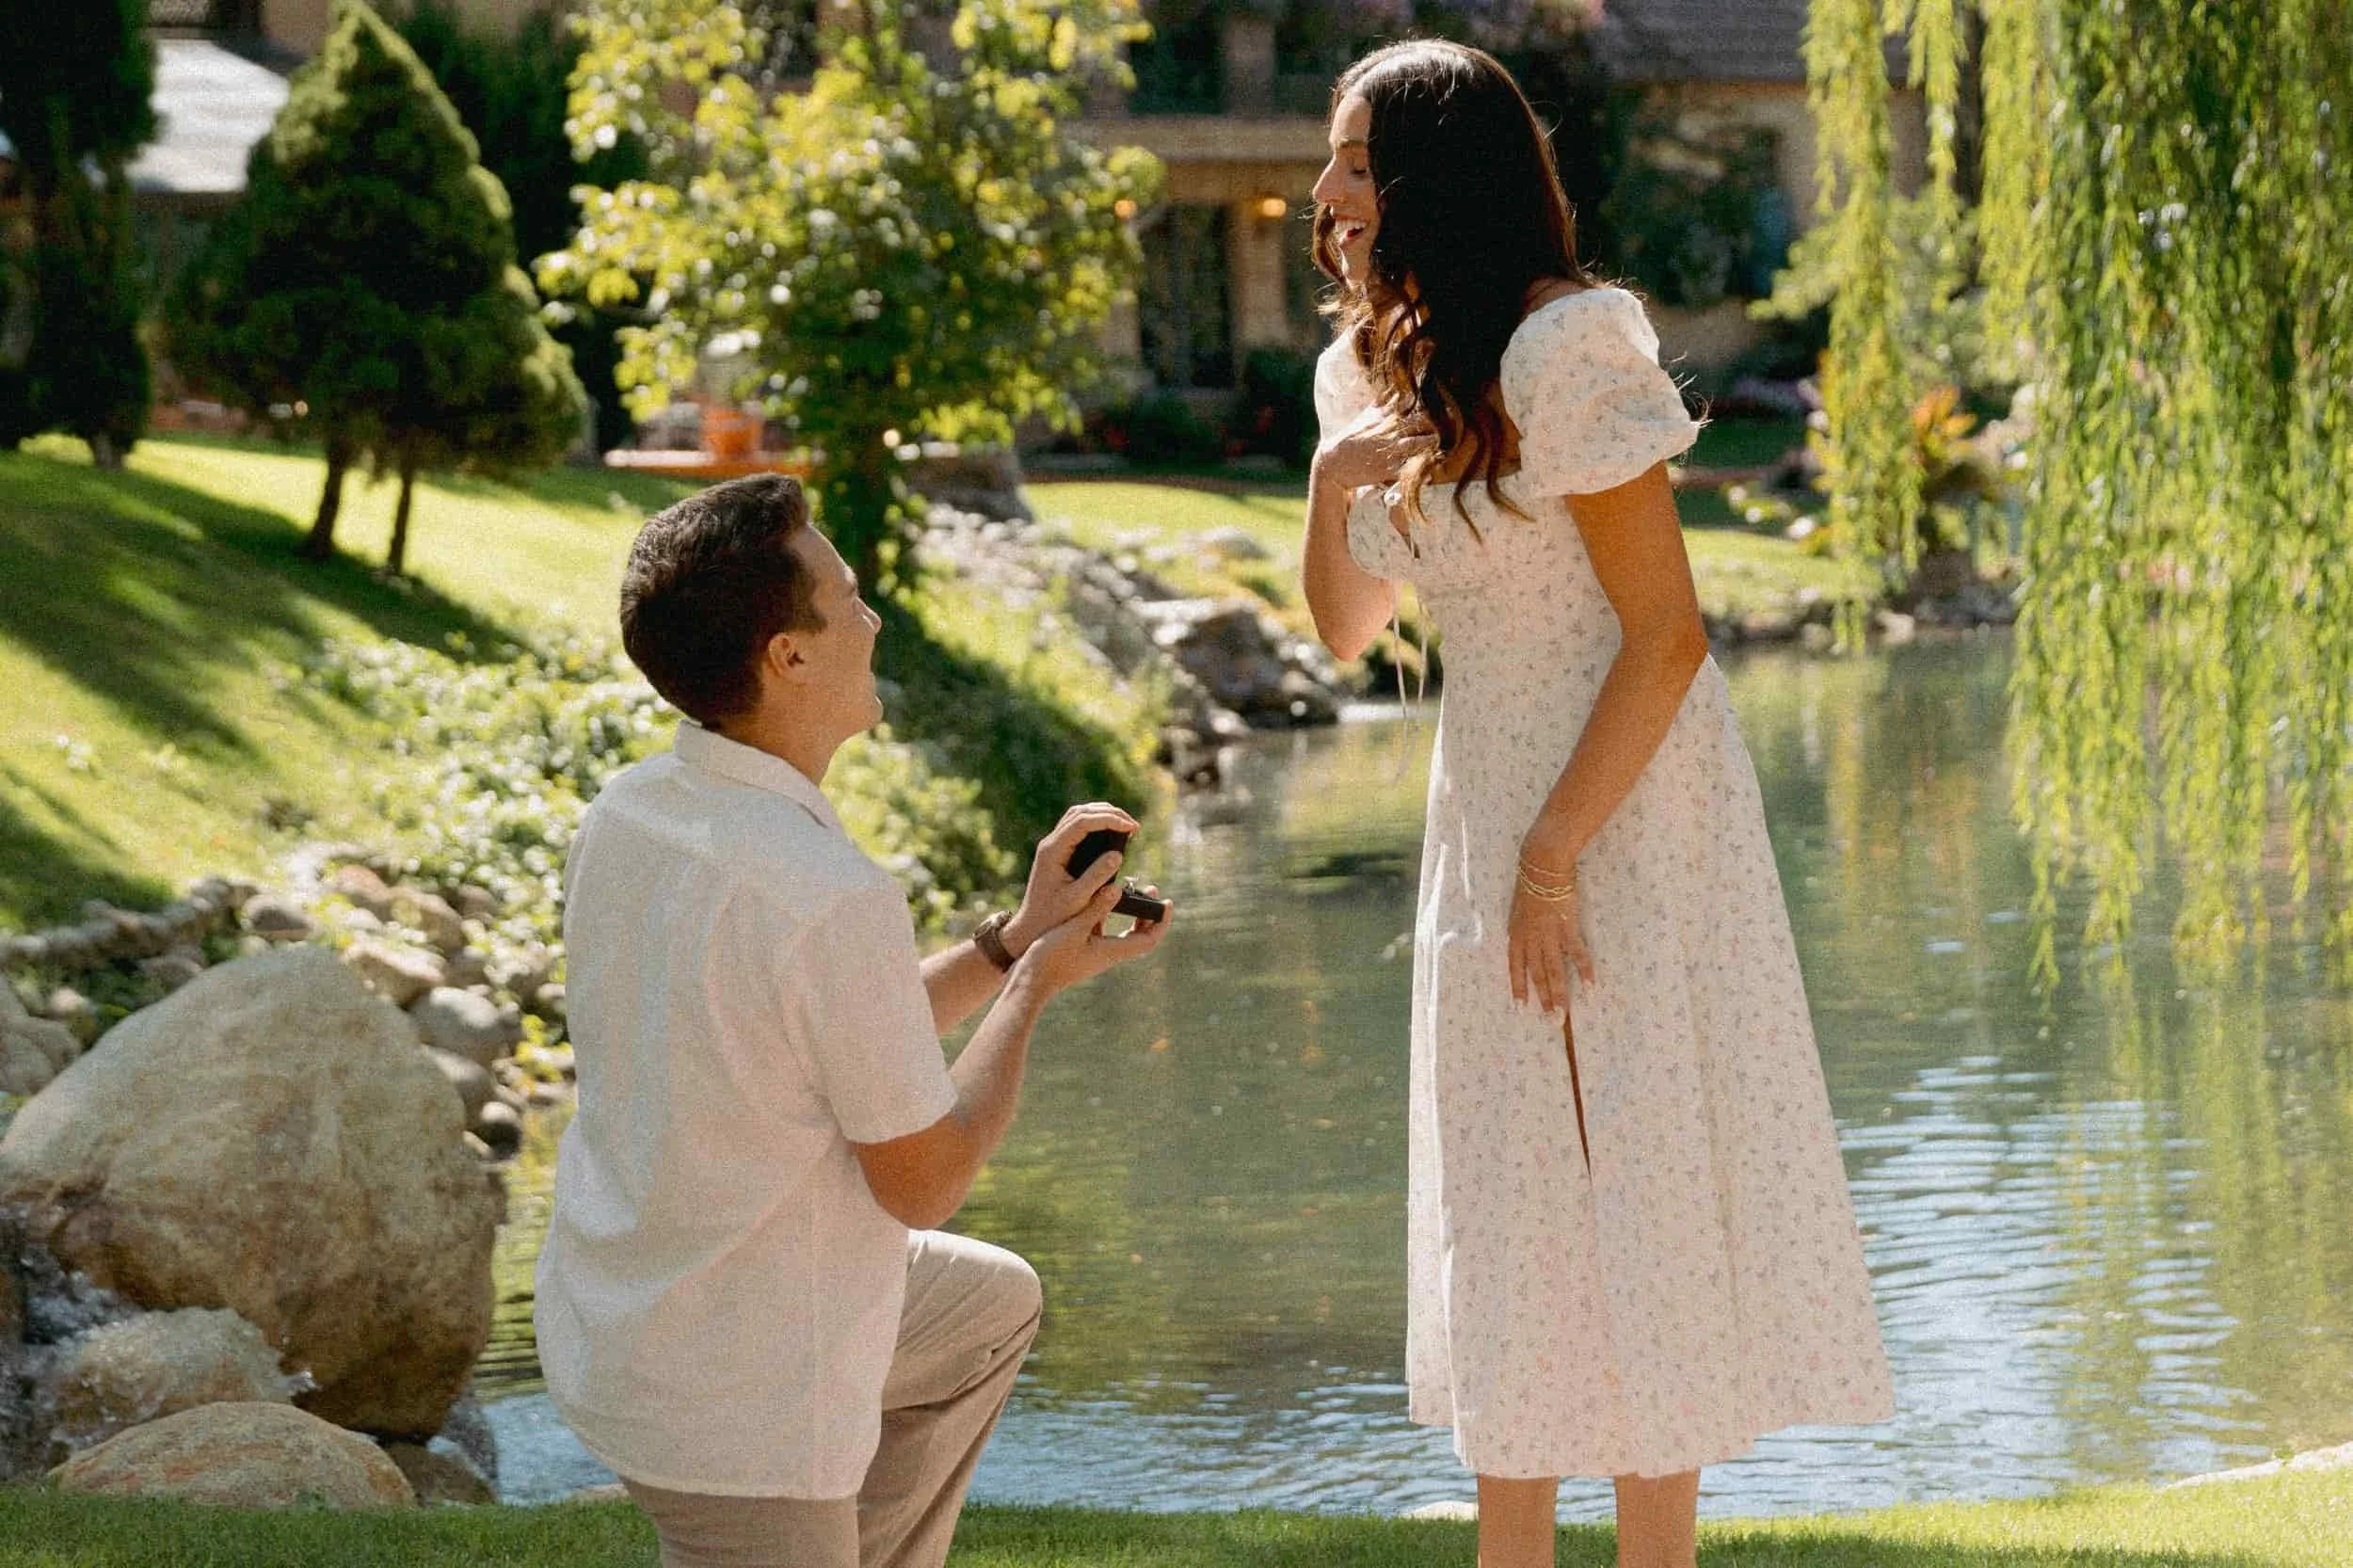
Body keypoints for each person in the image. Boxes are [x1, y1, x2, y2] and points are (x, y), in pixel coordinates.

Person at [1301, 40, 1894, 1568]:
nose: (1328, 192)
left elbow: (1668, 632)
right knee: (1513, 1212)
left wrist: (1556, 856)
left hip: (1625, 810)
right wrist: (1335, 473)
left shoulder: (1569, 349)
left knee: (1635, 1186)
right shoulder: (1367, 362)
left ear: (1440, 177)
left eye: (1359, 161)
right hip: (1482, 806)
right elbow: (1345, 629)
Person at [535, 474, 1170, 1568]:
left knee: (984, 1306)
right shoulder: (826, 893)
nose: (872, 618)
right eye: (848, 595)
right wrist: (1033, 994)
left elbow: (823, 1034)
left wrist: (1010, 942)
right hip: (741, 1400)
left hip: (621, 1331)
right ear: (789, 655)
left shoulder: (633, 811)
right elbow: (923, 1180)